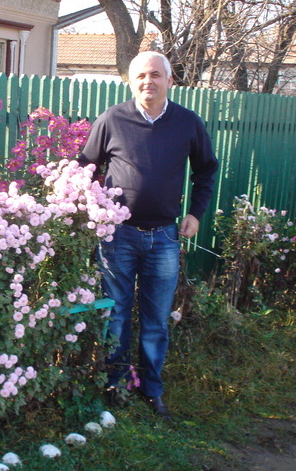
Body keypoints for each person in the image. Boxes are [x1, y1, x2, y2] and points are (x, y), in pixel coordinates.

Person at [78, 51, 219, 420]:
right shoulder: (112, 119)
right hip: (117, 236)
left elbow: (206, 169)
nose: (148, 82)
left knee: (156, 319)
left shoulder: (187, 122)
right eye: (141, 75)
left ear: (170, 81)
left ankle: (152, 391)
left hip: (165, 238)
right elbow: (86, 168)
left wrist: (195, 213)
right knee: (117, 315)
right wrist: (93, 210)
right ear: (131, 80)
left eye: (156, 75)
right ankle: (116, 385)